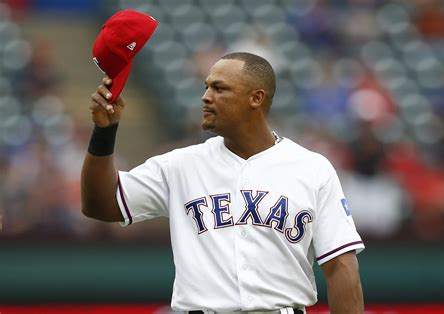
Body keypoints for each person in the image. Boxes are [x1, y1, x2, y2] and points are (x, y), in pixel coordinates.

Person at [81, 52, 365, 313]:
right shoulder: (180, 165)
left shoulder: (311, 168)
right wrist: (105, 132)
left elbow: (341, 266)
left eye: (219, 88)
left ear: (256, 98)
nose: (205, 97)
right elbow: (100, 204)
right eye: (206, 87)